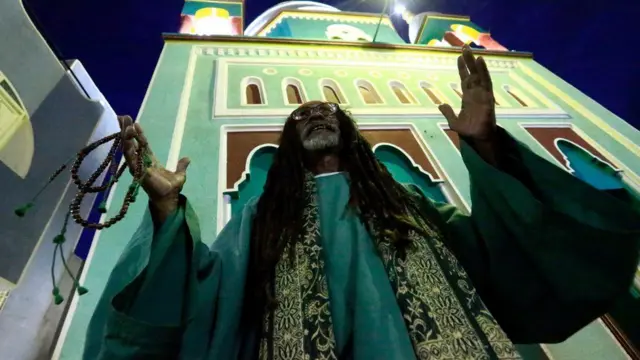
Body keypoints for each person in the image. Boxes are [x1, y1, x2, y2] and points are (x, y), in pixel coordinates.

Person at [83, 46, 640, 360]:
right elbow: (205, 292)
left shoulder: (409, 206)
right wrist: (165, 213)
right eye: (300, 116)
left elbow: (507, 254)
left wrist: (487, 146)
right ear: (287, 144)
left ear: (348, 131)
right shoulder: (261, 221)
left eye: (327, 112)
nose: (315, 115)